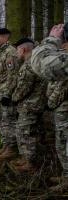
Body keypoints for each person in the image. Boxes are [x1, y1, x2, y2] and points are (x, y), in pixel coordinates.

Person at [8, 38, 47, 172]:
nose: (16, 53)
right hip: (36, 104)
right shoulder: (35, 62)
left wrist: (12, 99)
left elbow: (23, 89)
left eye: (17, 49)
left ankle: (30, 163)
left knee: (25, 133)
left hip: (29, 105)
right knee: (31, 132)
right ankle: (26, 158)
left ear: (23, 49)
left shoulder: (28, 65)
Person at [0, 28, 19, 161]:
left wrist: (8, 94)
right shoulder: (0, 52)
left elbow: (12, 75)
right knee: (1, 120)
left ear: (6, 37)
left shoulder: (10, 52)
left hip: (5, 93)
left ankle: (12, 148)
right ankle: (6, 145)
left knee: (8, 121)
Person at [45, 38, 68, 192]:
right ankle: (66, 175)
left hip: (63, 109)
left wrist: (50, 103)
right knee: (61, 143)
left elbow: (61, 87)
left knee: (64, 144)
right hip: (60, 109)